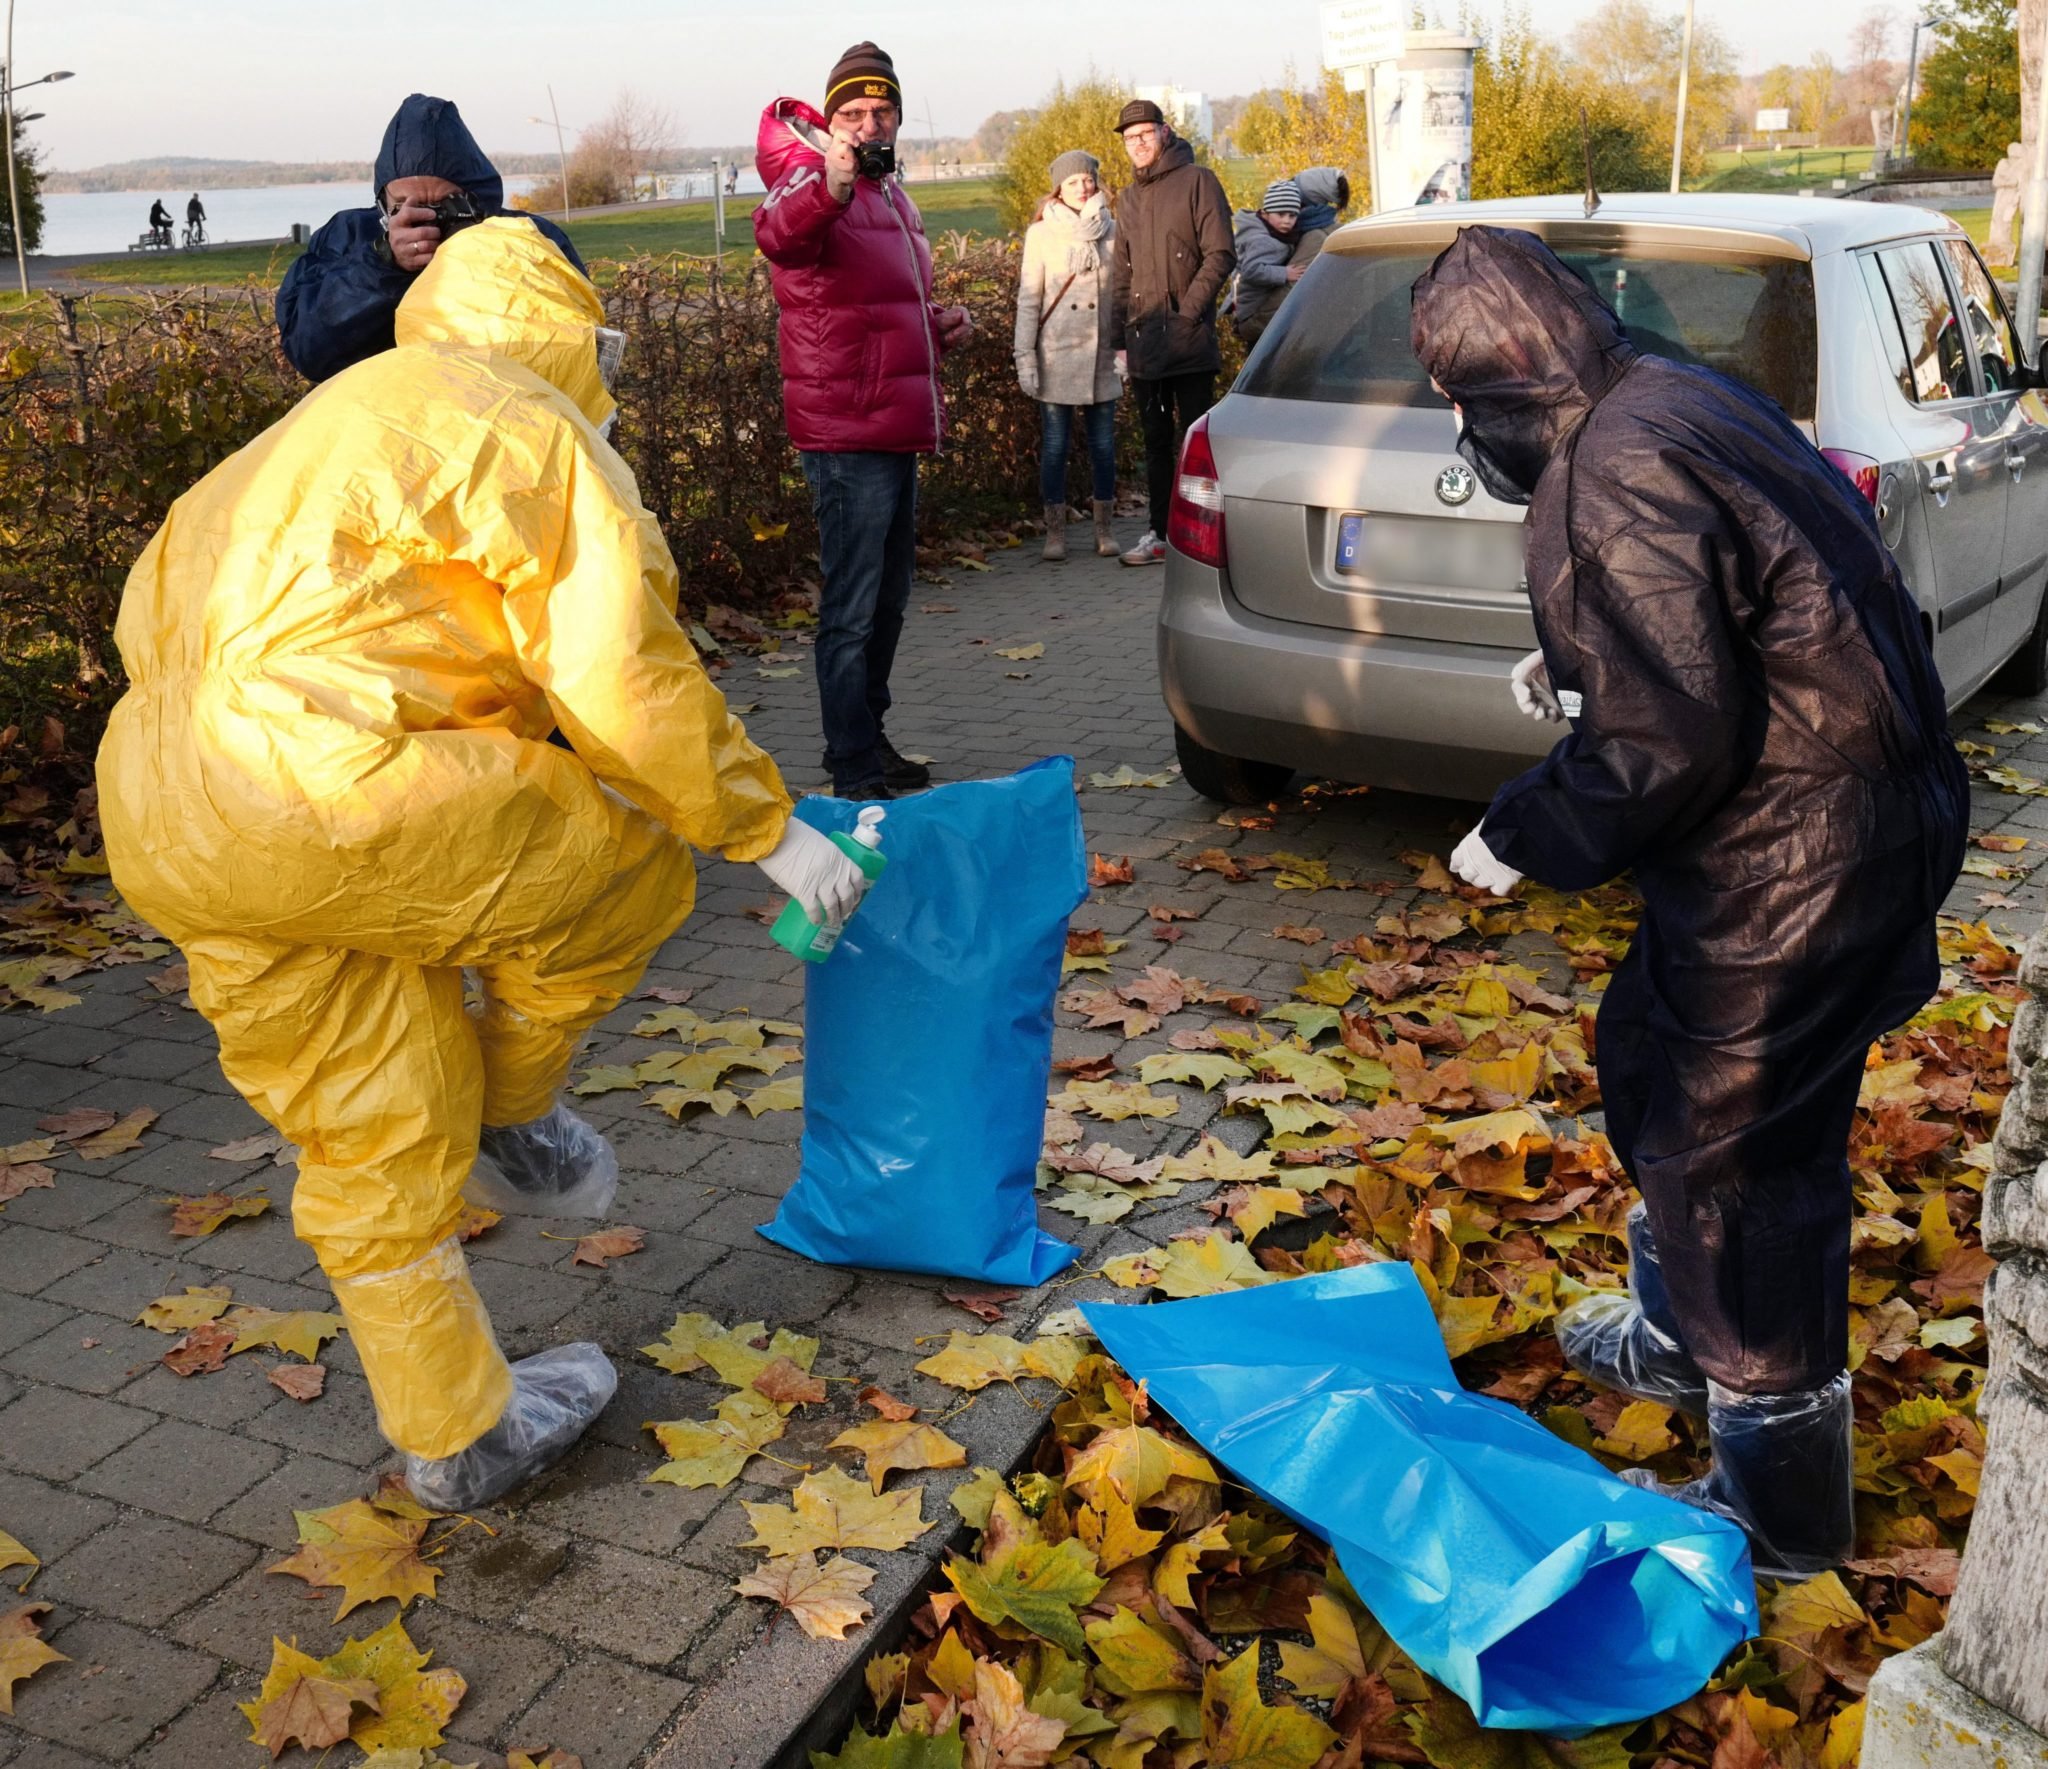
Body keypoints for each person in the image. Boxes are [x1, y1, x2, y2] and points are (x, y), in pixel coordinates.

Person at [98, 219, 873, 1510]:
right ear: (565, 332)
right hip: (339, 777)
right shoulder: (516, 417)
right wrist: (765, 829)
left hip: (171, 816)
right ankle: (516, 1106)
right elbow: (619, 672)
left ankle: (458, 1428)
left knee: (366, 1126)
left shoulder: (297, 438)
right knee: (624, 859)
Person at [1415, 225, 1966, 1578]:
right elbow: (1728, 618)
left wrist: (1524, 826)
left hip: (1798, 855)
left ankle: (1782, 1505)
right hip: (1806, 823)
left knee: (1734, 1159)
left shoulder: (1618, 460)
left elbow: (1664, 738)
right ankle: (1682, 1339)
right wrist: (1584, 678)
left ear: (1483, 382)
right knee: (1657, 1064)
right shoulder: (1666, 393)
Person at [754, 41, 973, 800]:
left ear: (898, 119)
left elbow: (871, 301)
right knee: (850, 608)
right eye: (853, 112)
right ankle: (851, 767)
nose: (869, 123)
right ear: (830, 119)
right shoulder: (811, 178)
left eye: (882, 111)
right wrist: (831, 184)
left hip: (894, 420)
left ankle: (867, 738)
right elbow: (778, 234)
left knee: (887, 600)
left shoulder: (890, 193)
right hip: (845, 430)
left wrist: (937, 325)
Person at [275, 93, 586, 385]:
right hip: (386, 418)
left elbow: (578, 342)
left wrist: (481, 248)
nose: (427, 219)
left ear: (475, 197)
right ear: (383, 200)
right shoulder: (350, 235)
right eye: (404, 205)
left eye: (446, 204)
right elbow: (309, 352)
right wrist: (384, 264)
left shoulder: (528, 237)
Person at [1108, 97, 1233, 568]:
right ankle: (1159, 534)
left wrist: (1187, 314)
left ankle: (1202, 532)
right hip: (1144, 345)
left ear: (1164, 132)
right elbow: (1122, 273)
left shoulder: (1198, 181)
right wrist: (1117, 340)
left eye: (1144, 134)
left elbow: (1220, 253)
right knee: (1155, 445)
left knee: (1196, 444)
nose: (1137, 144)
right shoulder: (1128, 198)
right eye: (1128, 138)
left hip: (1189, 342)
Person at [1015, 149, 1122, 562]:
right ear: (1058, 187)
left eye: (1088, 179)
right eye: (1074, 181)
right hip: (1056, 354)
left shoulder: (1114, 229)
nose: (1083, 187)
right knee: (1056, 447)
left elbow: (1123, 295)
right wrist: (1024, 357)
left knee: (1103, 447)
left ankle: (1104, 529)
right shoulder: (1041, 234)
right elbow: (1029, 300)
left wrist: (1125, 350)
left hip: (1102, 355)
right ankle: (1055, 534)